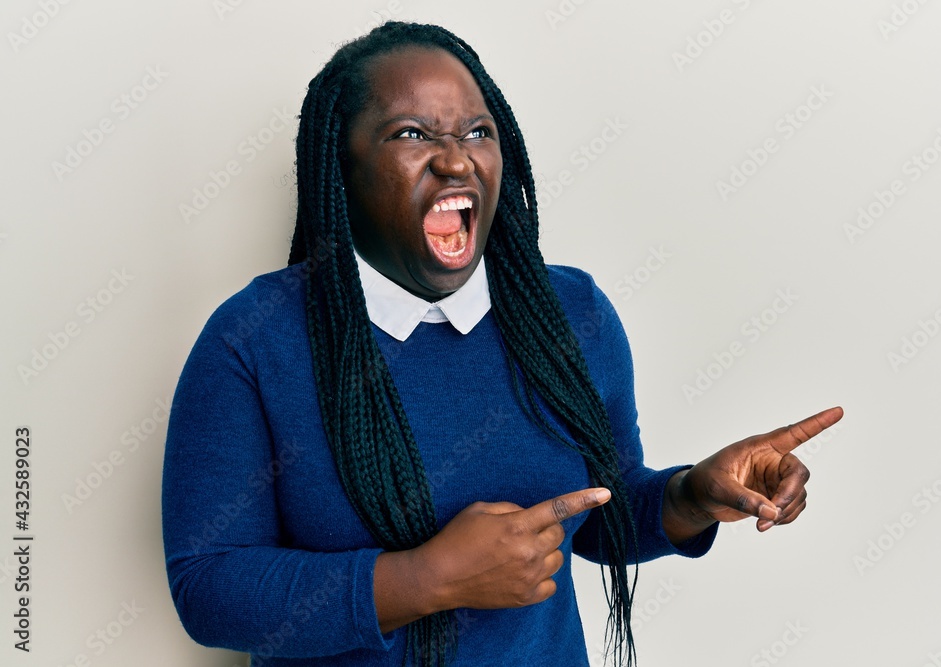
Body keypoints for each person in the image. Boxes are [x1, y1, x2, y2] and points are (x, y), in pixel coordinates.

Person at [161, 21, 843, 667]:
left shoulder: (569, 315)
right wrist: (428, 578)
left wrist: (693, 495)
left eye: (477, 132)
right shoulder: (253, 339)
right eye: (411, 133)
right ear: (342, 172)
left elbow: (598, 517)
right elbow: (210, 585)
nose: (456, 158)